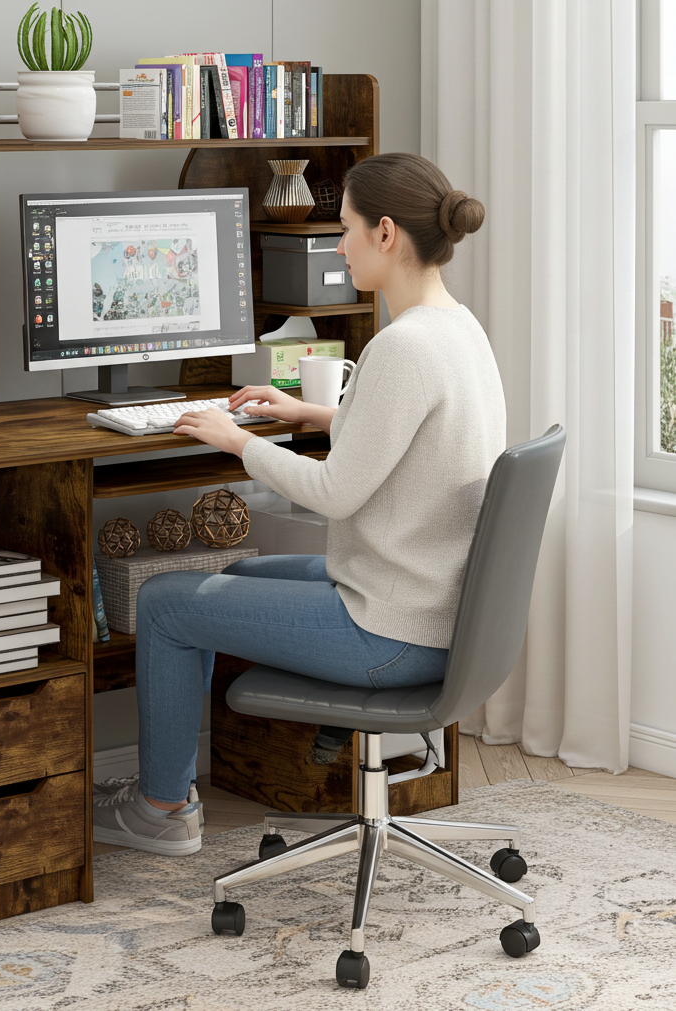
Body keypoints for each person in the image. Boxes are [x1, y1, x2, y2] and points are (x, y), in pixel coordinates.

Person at [92, 153, 505, 856]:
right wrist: (307, 411)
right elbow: (405, 439)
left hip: (388, 634)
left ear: (384, 234)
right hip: (434, 612)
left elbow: (333, 491)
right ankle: (172, 787)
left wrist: (235, 441)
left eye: (342, 229)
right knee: (241, 576)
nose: (336, 246)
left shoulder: (401, 346)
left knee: (164, 602)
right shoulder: (455, 327)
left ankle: (160, 807)